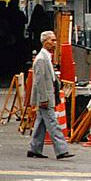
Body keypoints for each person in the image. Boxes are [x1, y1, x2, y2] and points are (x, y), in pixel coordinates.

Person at [27, 31, 74, 159]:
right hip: (46, 97)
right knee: (53, 123)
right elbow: (39, 81)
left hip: (48, 95)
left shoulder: (46, 57)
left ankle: (34, 148)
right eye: (52, 40)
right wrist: (43, 99)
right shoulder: (42, 59)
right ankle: (61, 150)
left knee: (41, 123)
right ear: (45, 42)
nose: (55, 43)